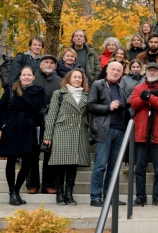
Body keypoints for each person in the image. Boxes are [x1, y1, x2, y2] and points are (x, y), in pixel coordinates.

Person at [0, 66, 44, 205]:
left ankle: (17, 190)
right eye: (24, 75)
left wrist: (40, 132)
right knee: (11, 161)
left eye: (29, 75)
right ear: (20, 76)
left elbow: (39, 113)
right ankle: (12, 192)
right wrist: (4, 126)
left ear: (34, 77)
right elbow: (1, 110)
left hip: (29, 129)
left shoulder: (39, 92)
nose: (27, 77)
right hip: (13, 128)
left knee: (28, 162)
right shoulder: (11, 90)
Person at [86, 62, 131, 207]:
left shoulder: (121, 87)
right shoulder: (98, 84)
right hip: (105, 130)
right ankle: (95, 197)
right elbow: (90, 105)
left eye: (119, 70)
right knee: (100, 165)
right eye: (113, 69)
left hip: (121, 130)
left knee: (114, 167)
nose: (116, 72)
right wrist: (108, 107)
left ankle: (110, 196)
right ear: (107, 70)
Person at [43, 69, 90, 206]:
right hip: (61, 131)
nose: (77, 80)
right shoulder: (59, 94)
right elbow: (51, 115)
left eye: (79, 78)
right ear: (69, 79)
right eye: (74, 77)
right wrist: (47, 136)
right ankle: (59, 193)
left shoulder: (86, 96)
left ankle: (69, 193)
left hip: (79, 132)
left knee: (72, 165)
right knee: (60, 164)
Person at [130, 62, 158, 207]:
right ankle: (140, 197)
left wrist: (149, 97)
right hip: (141, 134)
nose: (152, 73)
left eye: (155, 70)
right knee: (140, 168)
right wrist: (147, 97)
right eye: (150, 70)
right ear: (145, 72)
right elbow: (134, 103)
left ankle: (157, 197)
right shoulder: (138, 88)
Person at [26, 55, 61, 195]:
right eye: (46, 62)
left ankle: (48, 184)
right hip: (33, 120)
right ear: (40, 64)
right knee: (32, 153)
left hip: (52, 121)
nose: (49, 64)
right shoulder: (32, 78)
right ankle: (32, 184)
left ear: (55, 66)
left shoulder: (59, 81)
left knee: (50, 153)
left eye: (52, 63)